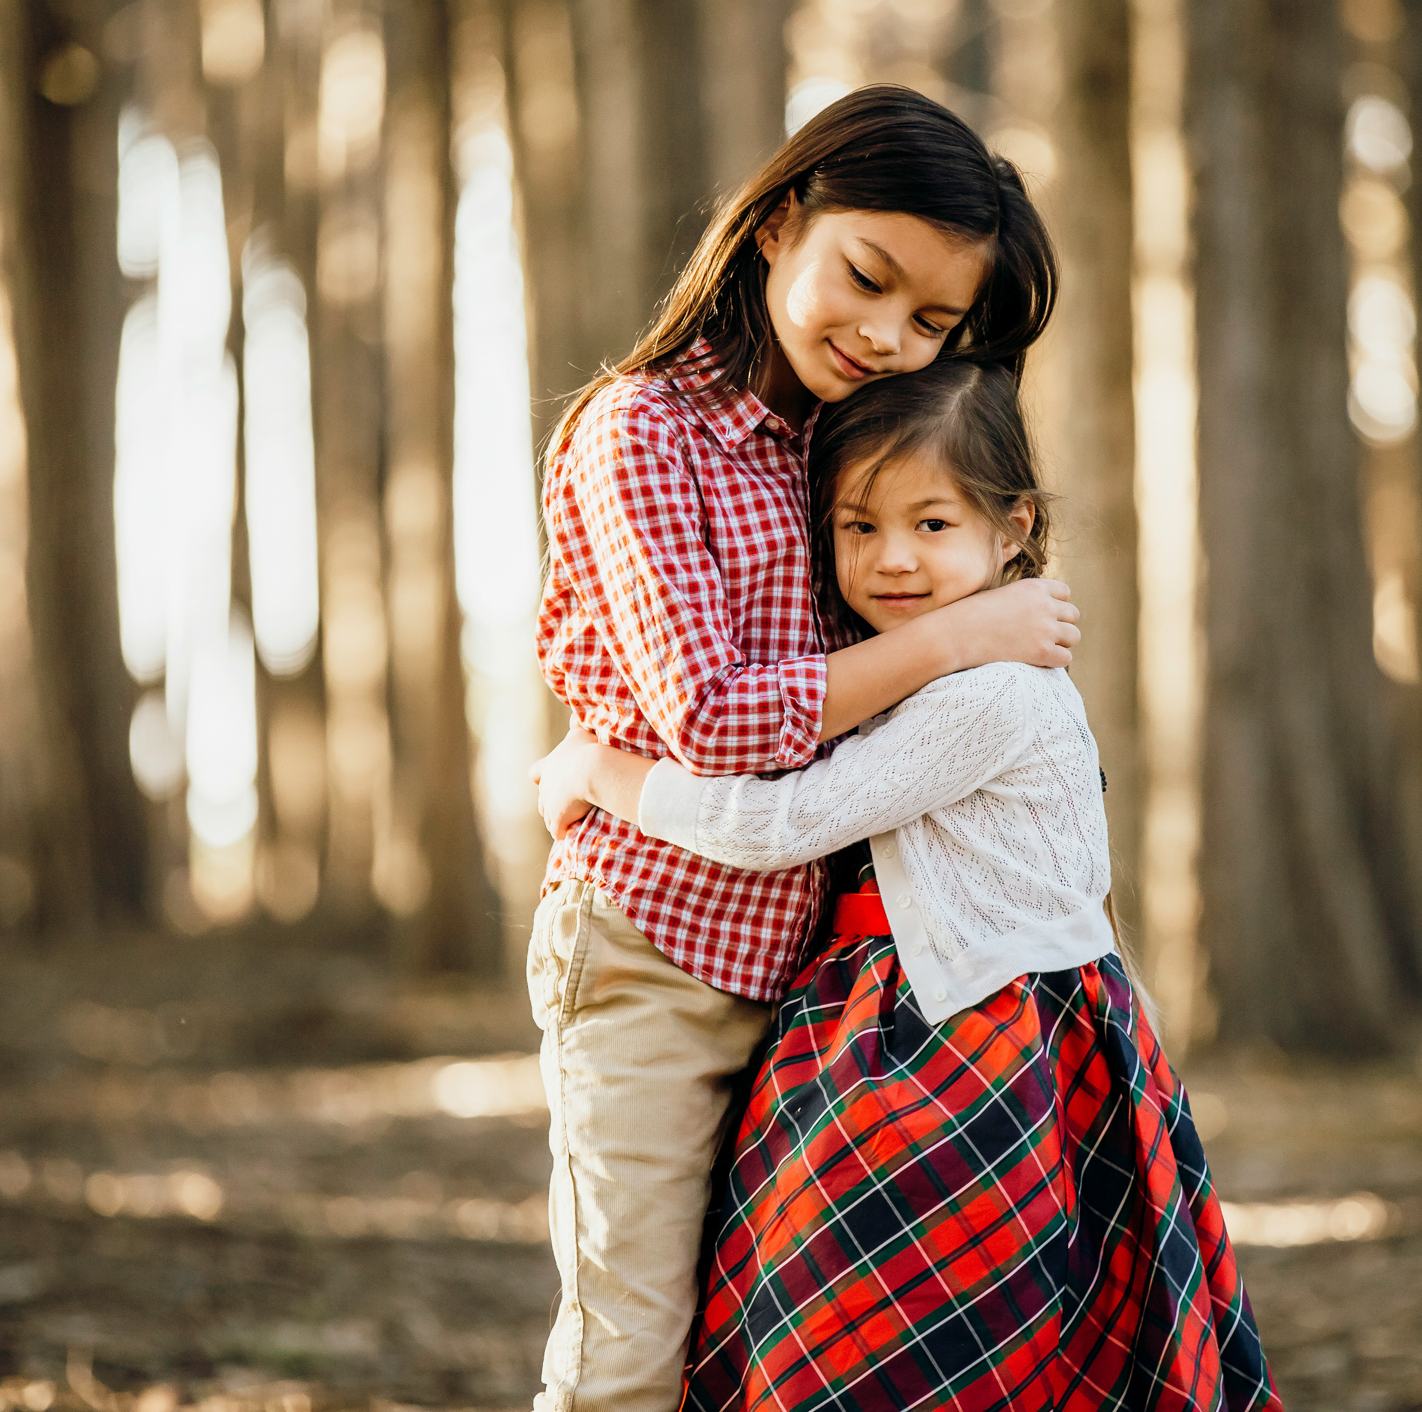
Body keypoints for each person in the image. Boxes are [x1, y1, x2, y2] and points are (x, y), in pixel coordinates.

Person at [534, 361, 1281, 1412]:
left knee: (898, 1338)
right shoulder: (908, 673)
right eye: (859, 528)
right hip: (895, 1033)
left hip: (968, 1057)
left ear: (1013, 528)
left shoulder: (991, 696)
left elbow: (784, 821)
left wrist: (598, 773)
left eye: (933, 525)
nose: (893, 560)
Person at [524, 86, 1073, 1412]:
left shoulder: (856, 438)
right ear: (777, 224)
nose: (888, 335)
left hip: (824, 992)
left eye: (932, 320)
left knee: (763, 1360)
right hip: (656, 958)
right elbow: (710, 718)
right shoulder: (646, 429)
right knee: (628, 1355)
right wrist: (961, 639)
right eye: (867, 278)